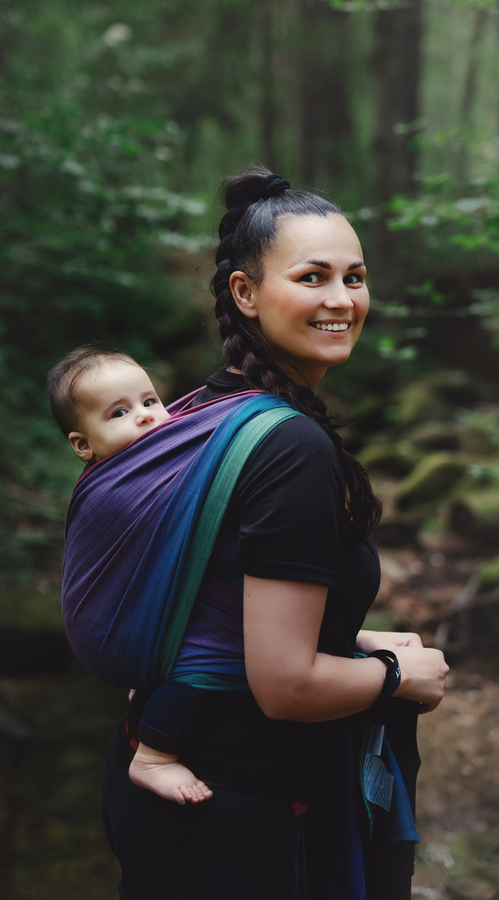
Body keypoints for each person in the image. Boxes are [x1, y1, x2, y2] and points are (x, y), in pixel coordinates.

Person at [62, 169, 449, 900]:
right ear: (245, 293)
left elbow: (221, 601)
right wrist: (401, 677)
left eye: (355, 277)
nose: (342, 299)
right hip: (237, 816)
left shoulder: (199, 412)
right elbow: (285, 684)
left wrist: (359, 643)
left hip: (167, 789)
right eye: (313, 277)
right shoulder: (290, 450)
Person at [47, 346, 214, 804]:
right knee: (207, 665)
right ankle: (154, 755)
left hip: (153, 613)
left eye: (150, 401)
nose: (144, 417)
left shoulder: (163, 453)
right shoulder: (116, 489)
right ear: (84, 445)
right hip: (118, 624)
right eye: (119, 412)